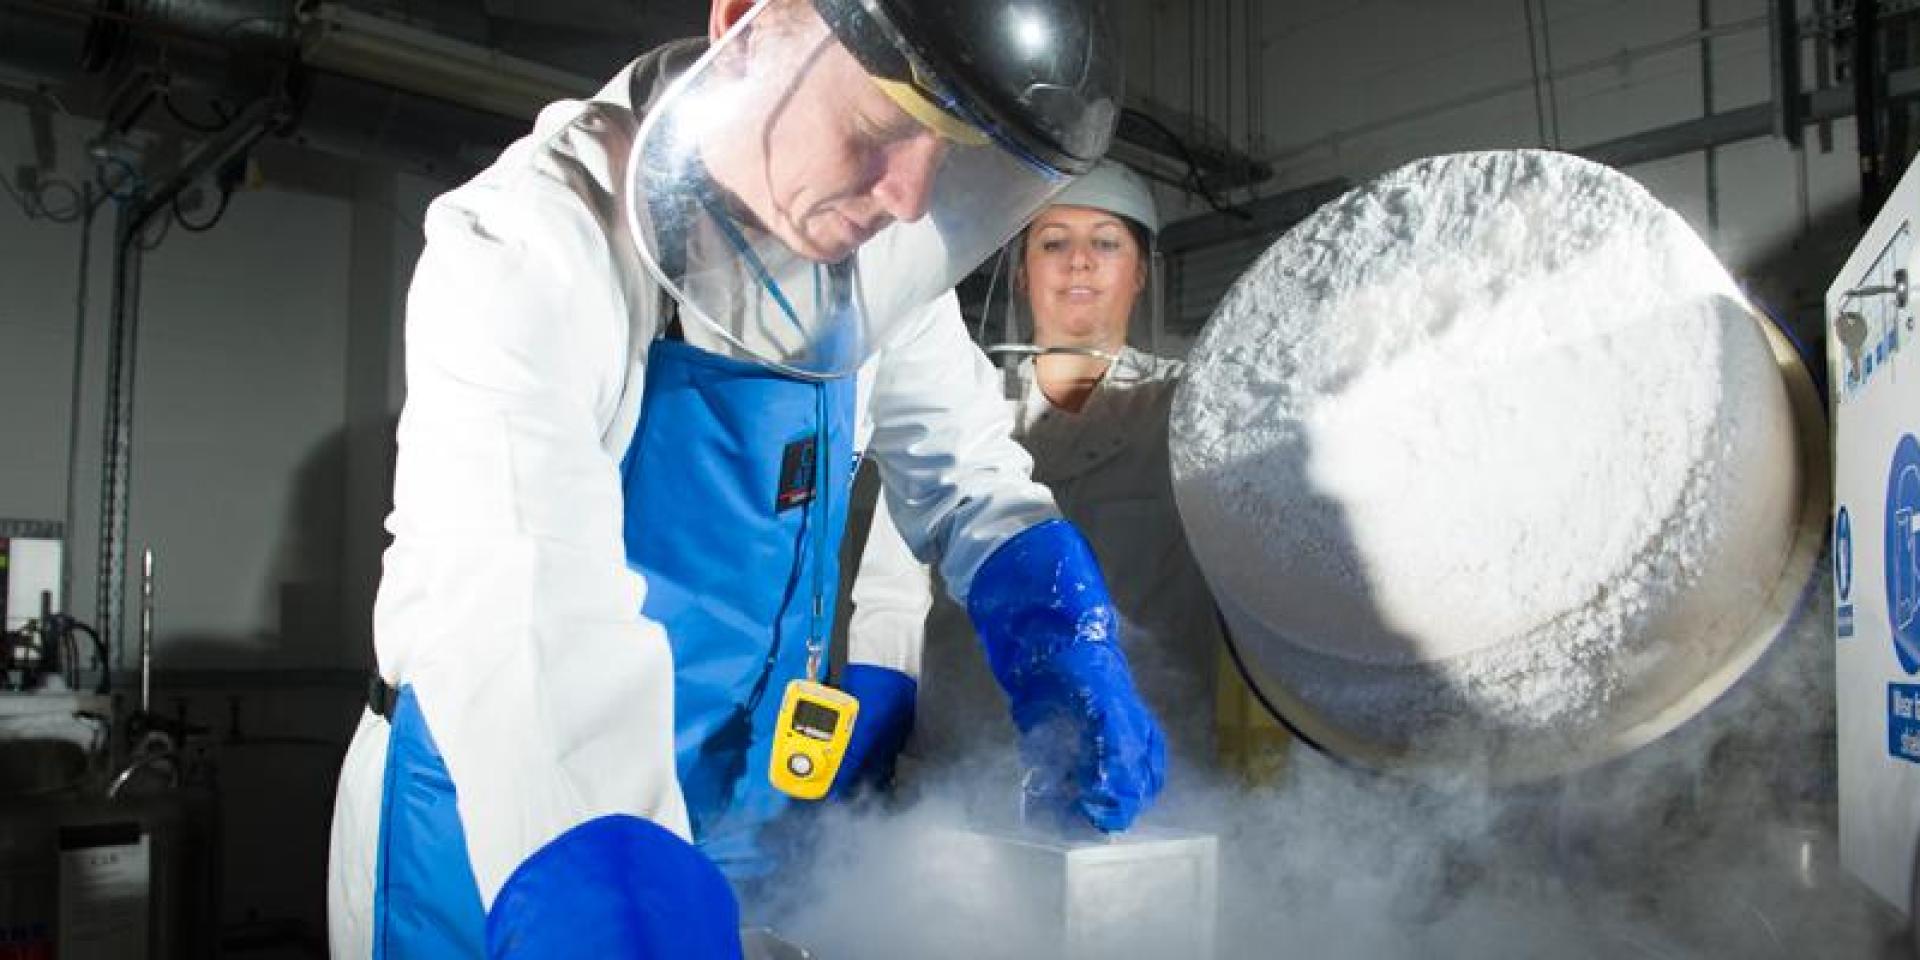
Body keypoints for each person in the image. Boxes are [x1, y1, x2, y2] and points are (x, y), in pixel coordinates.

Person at [324, 0, 1165, 955]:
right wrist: (612, 885)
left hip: (738, 806)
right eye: (884, 126)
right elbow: (523, 606)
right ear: (748, 25)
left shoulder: (870, 251)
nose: (907, 195)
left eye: (950, 149)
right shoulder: (529, 242)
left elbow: (968, 472)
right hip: (514, 825)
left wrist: (1062, 637)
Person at [845, 160, 1243, 793]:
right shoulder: (952, 402)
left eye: (1106, 243)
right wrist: (880, 697)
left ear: (1140, 273)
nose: (1078, 261)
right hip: (963, 765)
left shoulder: (1193, 406)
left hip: (1144, 764)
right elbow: (894, 588)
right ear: (1023, 276)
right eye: (1053, 242)